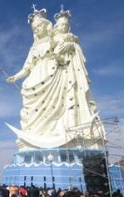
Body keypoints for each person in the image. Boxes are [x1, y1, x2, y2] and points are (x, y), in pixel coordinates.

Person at [6, 6, 104, 150]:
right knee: (31, 102)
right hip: (36, 75)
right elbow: (27, 67)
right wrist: (15, 76)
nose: (37, 29)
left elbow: (66, 50)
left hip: (55, 72)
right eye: (34, 28)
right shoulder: (33, 48)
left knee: (61, 101)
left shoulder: (55, 39)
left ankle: (61, 130)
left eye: (39, 26)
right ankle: (37, 133)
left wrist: (68, 46)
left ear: (46, 25)